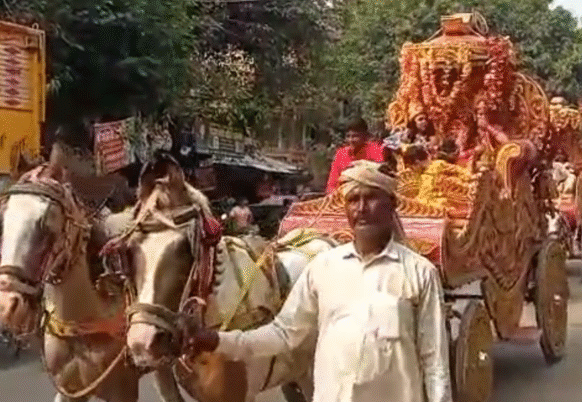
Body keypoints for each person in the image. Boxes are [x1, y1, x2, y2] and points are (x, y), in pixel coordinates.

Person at [181, 160, 451, 402]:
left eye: (371, 197)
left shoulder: (420, 272)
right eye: (353, 199)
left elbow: (434, 361)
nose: (361, 209)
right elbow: (283, 335)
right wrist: (217, 340)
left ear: (392, 204)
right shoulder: (322, 268)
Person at [326, 118, 385, 194]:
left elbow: (381, 177)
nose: (351, 140)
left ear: (365, 137)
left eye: (355, 136)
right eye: (348, 136)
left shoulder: (375, 150)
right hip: (344, 196)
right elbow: (332, 183)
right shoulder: (341, 154)